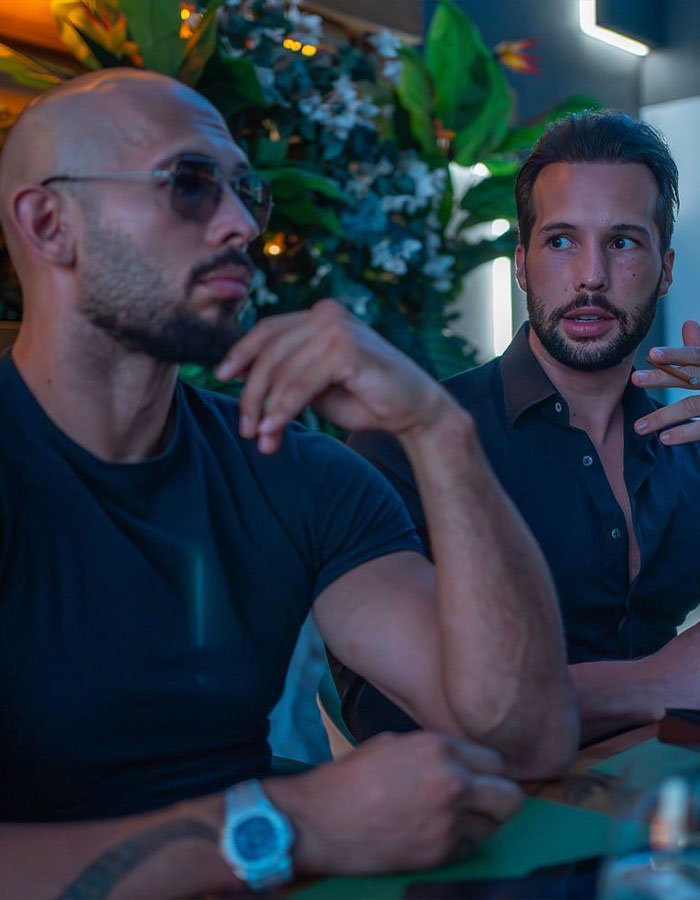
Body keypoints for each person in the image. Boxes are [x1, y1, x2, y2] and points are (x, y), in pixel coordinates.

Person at [0, 69, 577, 899]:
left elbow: (525, 739)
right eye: (189, 183)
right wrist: (290, 823)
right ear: (50, 224)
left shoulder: (292, 471)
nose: (241, 225)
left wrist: (438, 432)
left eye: (247, 192)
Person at [343, 110, 700, 747]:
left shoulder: (684, 441)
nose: (591, 276)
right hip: (492, 802)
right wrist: (654, 681)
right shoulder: (407, 442)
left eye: (622, 242)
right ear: (520, 264)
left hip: (659, 789)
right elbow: (393, 717)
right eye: (561, 241)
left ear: (665, 268)